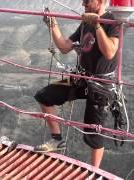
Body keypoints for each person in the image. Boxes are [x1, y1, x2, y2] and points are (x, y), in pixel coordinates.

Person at [34, 0, 119, 168]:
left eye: (87, 1)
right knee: (44, 96)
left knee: (94, 132)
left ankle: (94, 172)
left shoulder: (112, 22)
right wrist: (53, 24)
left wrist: (96, 25)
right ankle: (57, 140)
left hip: (101, 83)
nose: (83, 4)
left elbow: (109, 52)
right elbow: (65, 47)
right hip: (80, 77)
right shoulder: (86, 23)